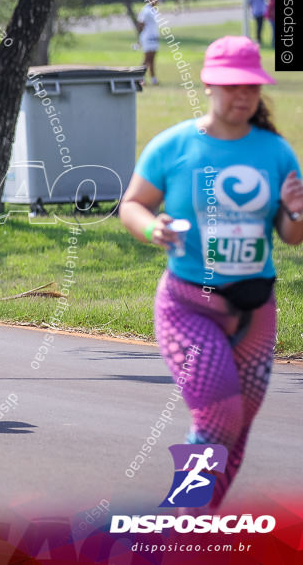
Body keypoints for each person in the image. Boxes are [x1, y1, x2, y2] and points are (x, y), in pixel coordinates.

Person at [120, 36, 303, 509]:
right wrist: (150, 227)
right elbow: (133, 204)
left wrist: (298, 213)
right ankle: (179, 517)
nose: (242, 96)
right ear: (208, 85)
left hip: (255, 307)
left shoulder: (275, 151)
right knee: (219, 415)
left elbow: (290, 234)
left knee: (237, 425)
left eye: (251, 88)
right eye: (230, 86)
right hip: (188, 305)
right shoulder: (175, 146)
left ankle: (195, 519)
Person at [136, 0, 160, 86]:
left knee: (152, 59)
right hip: (147, 37)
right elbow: (141, 24)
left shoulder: (153, 10)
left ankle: (153, 79)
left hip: (153, 37)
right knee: (146, 59)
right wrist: (139, 39)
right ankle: (140, 78)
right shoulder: (145, 10)